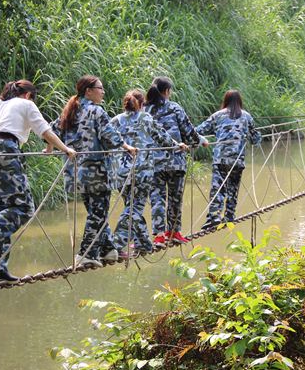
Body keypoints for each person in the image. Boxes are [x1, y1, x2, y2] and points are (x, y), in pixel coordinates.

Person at [0, 80, 76, 284]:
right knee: (23, 207)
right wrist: (66, 149)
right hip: (7, 151)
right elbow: (45, 131)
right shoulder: (26, 104)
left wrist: (49, 149)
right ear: (28, 95)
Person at [48, 75, 136, 268]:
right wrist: (126, 146)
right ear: (89, 90)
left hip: (76, 173)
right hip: (97, 172)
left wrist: (49, 148)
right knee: (98, 213)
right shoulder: (96, 111)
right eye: (100, 88)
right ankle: (85, 254)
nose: (103, 92)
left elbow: (50, 132)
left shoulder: (69, 111)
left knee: (96, 212)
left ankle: (107, 249)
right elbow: (110, 136)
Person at [109, 90, 188, 255]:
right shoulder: (146, 119)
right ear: (142, 104)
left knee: (131, 207)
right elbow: (163, 139)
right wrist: (177, 145)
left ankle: (143, 243)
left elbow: (106, 139)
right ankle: (115, 245)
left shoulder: (115, 120)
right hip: (142, 172)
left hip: (121, 173)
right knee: (135, 208)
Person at [143, 77, 208, 247]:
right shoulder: (174, 107)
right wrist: (200, 141)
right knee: (175, 197)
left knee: (157, 198)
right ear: (167, 91)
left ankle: (158, 235)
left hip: (152, 162)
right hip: (175, 161)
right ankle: (173, 232)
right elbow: (189, 133)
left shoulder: (144, 109)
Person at [195, 90, 262, 231]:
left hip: (220, 159)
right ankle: (229, 216)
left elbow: (199, 130)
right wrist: (257, 135)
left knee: (217, 188)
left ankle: (214, 216)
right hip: (237, 160)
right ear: (239, 101)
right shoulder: (247, 117)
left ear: (225, 100)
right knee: (233, 188)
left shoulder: (217, 115)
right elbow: (255, 140)